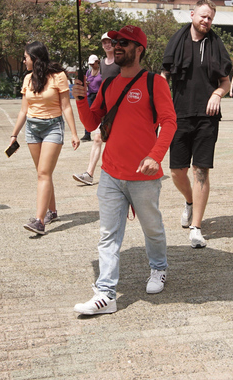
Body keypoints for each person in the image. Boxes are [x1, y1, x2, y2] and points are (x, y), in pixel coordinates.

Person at [72, 25, 177, 315]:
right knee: (108, 234)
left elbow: (169, 122)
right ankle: (106, 293)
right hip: (111, 173)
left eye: (124, 42)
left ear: (139, 49)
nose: (116, 46)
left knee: (152, 229)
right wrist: (81, 98)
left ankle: (158, 268)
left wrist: (156, 155)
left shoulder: (155, 82)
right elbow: (92, 123)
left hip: (144, 177)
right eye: (114, 42)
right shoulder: (108, 84)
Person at [161, 0, 232, 248]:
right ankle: (189, 202)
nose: (206, 21)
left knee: (200, 170)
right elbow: (164, 74)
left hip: (207, 117)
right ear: (192, 14)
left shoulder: (216, 45)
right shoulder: (177, 41)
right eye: (203, 16)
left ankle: (196, 227)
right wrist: (161, 101)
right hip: (178, 113)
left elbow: (226, 81)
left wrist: (217, 94)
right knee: (176, 171)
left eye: (210, 18)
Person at [9, 41, 80, 235]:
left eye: (25, 57)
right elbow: (24, 110)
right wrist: (14, 134)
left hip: (52, 127)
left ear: (35, 58)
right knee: (43, 173)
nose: (24, 61)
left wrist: (74, 133)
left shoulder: (59, 77)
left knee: (43, 173)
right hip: (32, 129)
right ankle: (53, 211)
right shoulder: (28, 79)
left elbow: (66, 106)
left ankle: (39, 221)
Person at [73, 33, 120, 185]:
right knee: (98, 138)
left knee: (115, 141)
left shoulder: (120, 62)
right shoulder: (103, 64)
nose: (107, 44)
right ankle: (89, 173)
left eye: (109, 42)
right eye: (104, 42)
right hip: (105, 106)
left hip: (119, 107)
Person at [79, 54, 102, 142]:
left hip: (99, 95)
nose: (92, 65)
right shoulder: (88, 72)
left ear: (97, 62)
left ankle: (101, 132)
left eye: (93, 63)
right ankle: (87, 134)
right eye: (90, 64)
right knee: (87, 114)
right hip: (90, 95)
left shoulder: (101, 71)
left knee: (100, 114)